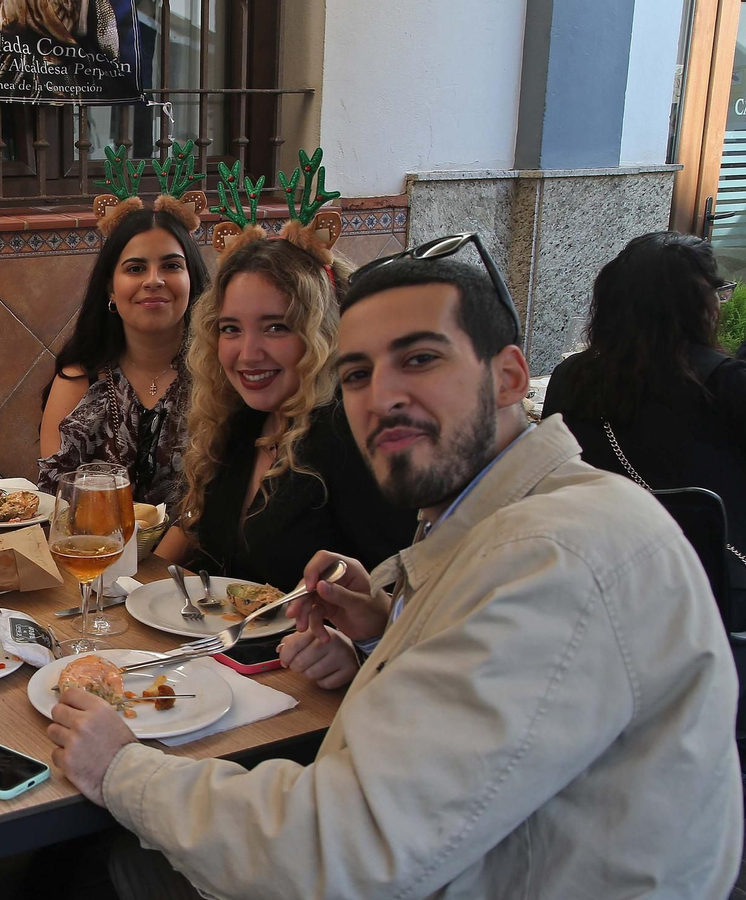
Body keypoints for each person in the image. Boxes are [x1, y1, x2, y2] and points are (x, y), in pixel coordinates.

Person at [47, 240, 743, 899]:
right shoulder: (495, 520)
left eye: (419, 360)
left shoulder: (554, 554)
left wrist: (123, 770)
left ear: (508, 376)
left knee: (93, 867)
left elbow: (347, 853)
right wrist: (386, 634)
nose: (380, 397)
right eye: (357, 373)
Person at [151, 231, 413, 689]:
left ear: (323, 333)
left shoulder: (350, 435)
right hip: (229, 675)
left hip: (317, 702)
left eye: (276, 326)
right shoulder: (241, 423)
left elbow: (412, 597)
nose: (247, 353)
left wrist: (357, 651)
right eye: (231, 328)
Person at [544, 232, 746, 570]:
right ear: (702, 308)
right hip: (714, 588)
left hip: (593, 571)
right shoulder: (727, 385)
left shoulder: (570, 377)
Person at [39, 205, 210, 512]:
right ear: (111, 289)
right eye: (135, 269)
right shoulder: (78, 379)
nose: (154, 280)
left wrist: (158, 559)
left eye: (172, 266)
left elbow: (216, 500)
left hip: (197, 559)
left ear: (192, 280)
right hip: (93, 553)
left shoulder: (216, 377)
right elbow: (57, 501)